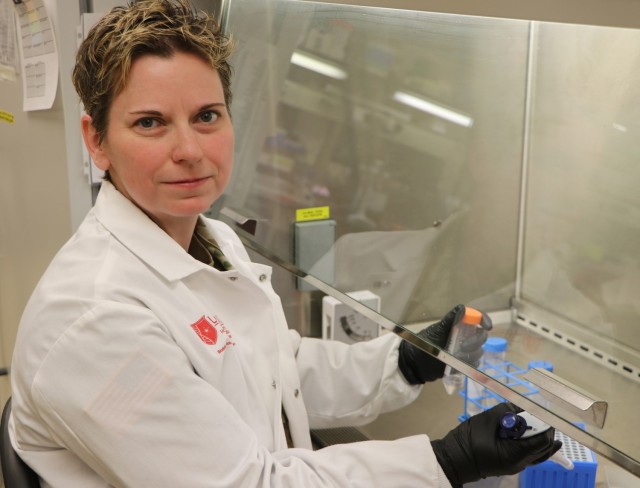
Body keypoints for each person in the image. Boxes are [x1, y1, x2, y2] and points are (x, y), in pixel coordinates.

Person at [9, 1, 561, 487]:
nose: (190, 150)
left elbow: (273, 367)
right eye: (151, 123)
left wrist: (404, 362)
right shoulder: (93, 323)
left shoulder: (209, 236)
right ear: (96, 140)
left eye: (206, 116)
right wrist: (446, 461)